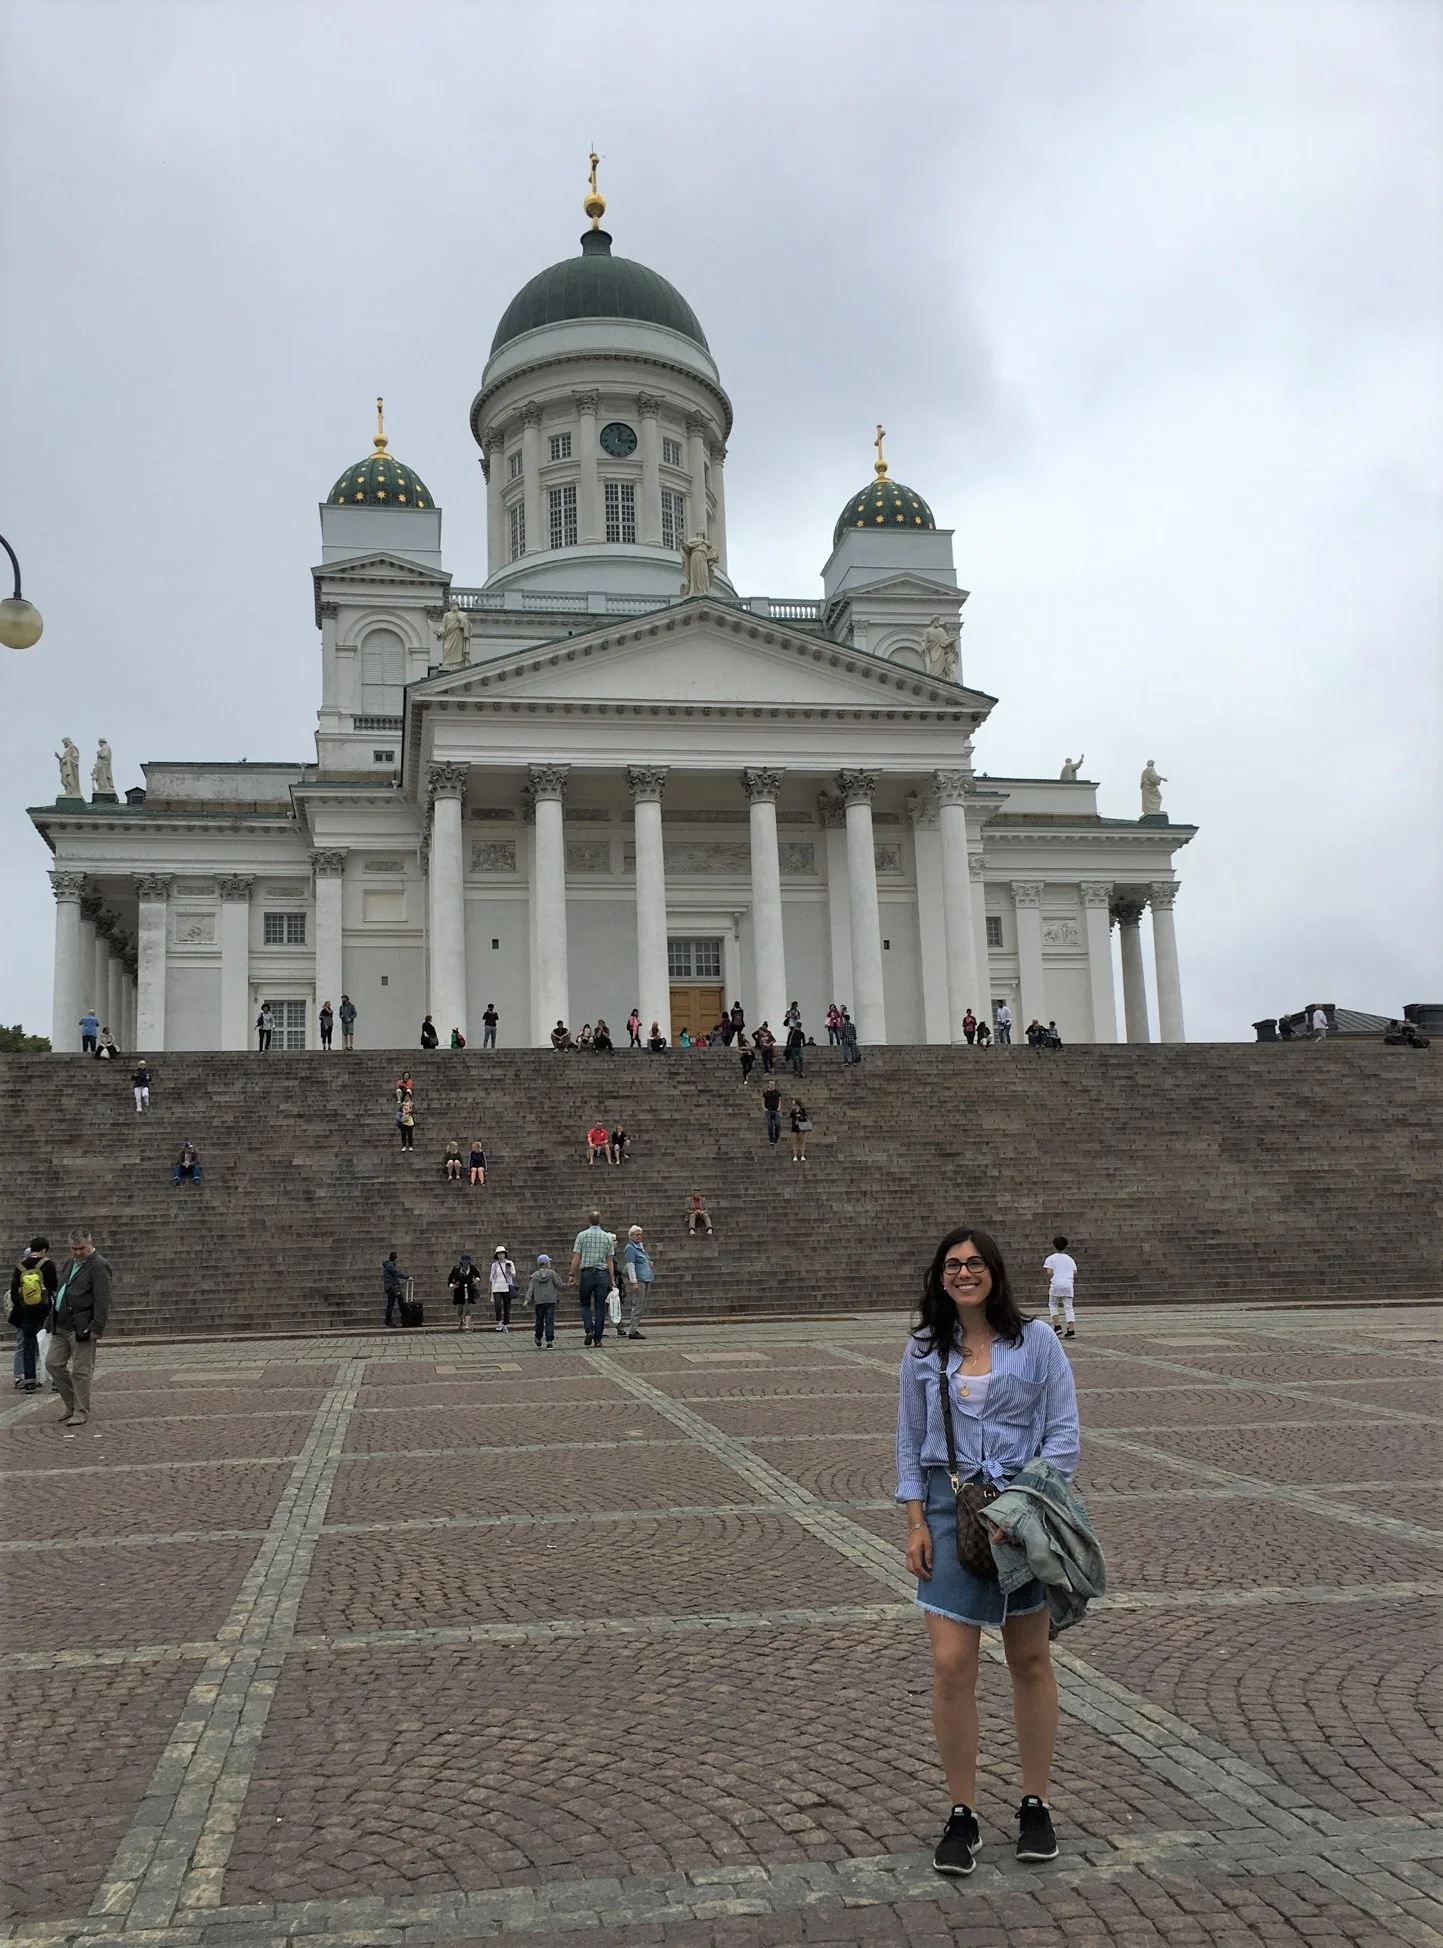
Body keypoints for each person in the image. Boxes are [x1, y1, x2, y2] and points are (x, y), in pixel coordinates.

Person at [897, 1223, 1081, 1876]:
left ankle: (1035, 1802)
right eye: (952, 1264)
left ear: (995, 1272)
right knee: (951, 1664)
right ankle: (962, 1812)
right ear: (939, 1276)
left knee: (1029, 1658)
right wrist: (915, 1522)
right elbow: (908, 1439)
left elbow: (1062, 1437)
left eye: (975, 1263)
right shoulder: (924, 1348)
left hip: (1021, 1512)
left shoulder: (1036, 1344)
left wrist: (1020, 1508)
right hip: (949, 1514)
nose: (964, 1272)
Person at [46, 1228, 114, 1429]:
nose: (77, 1252)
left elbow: (103, 1299)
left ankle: (81, 1411)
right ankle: (72, 1404)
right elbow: (62, 1291)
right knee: (53, 1364)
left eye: (81, 1248)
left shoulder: (99, 1265)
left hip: (83, 1326)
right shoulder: (70, 1263)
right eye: (73, 1249)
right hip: (61, 1323)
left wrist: (97, 1326)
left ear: (90, 1244)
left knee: (81, 1371)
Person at [10, 1237, 57, 1391]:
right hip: (44, 1310)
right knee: (48, 1344)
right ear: (44, 1250)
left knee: (28, 1344)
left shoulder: (20, 1267)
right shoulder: (48, 1264)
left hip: (26, 1312)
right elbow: (53, 1286)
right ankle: (53, 1378)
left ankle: (29, 1379)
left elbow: (14, 1291)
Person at [569, 1210, 618, 1347]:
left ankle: (589, 1329)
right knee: (600, 1307)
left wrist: (571, 1274)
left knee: (585, 1304)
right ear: (600, 1220)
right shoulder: (607, 1237)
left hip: (587, 1273)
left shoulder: (582, 1235)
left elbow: (576, 1256)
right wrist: (612, 1279)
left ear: (589, 1220)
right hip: (602, 1274)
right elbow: (610, 1261)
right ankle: (598, 1339)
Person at [621, 1225, 655, 1338]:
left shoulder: (640, 1246)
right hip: (639, 1279)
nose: (639, 1236)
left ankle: (634, 1328)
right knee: (638, 1304)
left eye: (640, 1234)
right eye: (636, 1234)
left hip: (646, 1277)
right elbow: (630, 1265)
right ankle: (632, 1330)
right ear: (631, 1236)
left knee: (641, 1304)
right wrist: (634, 1281)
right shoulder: (630, 1248)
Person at [526, 1252, 565, 1349]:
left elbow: (531, 1288)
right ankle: (549, 1340)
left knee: (539, 1320)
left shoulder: (534, 1276)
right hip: (550, 1300)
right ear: (546, 1263)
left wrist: (527, 1299)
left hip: (539, 1301)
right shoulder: (552, 1273)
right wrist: (568, 1284)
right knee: (549, 1320)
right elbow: (559, 1285)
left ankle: (538, 1337)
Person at [1043, 1235, 1078, 1338]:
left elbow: (1049, 1271)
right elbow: (1075, 1271)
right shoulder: (1069, 1259)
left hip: (1056, 1284)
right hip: (1068, 1284)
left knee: (1053, 1304)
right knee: (1069, 1307)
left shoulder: (1051, 1258)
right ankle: (1071, 1329)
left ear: (1054, 1246)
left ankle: (1057, 1326)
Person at [448, 1250, 480, 1329]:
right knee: (459, 1309)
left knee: (468, 1308)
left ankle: (467, 1324)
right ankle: (461, 1320)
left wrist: (476, 1280)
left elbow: (477, 1275)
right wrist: (452, 1285)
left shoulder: (472, 1268)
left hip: (469, 1290)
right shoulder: (456, 1269)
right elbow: (450, 1280)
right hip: (459, 1291)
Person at [489, 1245, 516, 1332]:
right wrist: (491, 1289)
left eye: (502, 1253)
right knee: (498, 1305)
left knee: (507, 1306)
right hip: (497, 1287)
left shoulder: (510, 1263)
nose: (501, 1255)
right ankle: (499, 1322)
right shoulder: (494, 1265)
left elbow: (514, 1274)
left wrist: (509, 1272)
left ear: (505, 1254)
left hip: (507, 1287)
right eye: (499, 1254)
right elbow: (492, 1277)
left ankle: (505, 1323)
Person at [381, 1251, 409, 1328]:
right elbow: (396, 1272)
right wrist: (406, 1277)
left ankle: (402, 1320)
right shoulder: (390, 1266)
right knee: (396, 1303)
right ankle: (402, 1320)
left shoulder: (389, 1265)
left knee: (395, 1303)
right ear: (395, 1258)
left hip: (393, 1287)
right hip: (392, 1288)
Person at [763, 1077, 783, 1147]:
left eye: (773, 1084)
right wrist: (764, 1108)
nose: (771, 1085)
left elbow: (779, 1099)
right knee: (770, 1126)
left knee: (777, 1124)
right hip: (769, 1110)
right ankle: (771, 1139)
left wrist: (779, 1107)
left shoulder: (777, 1092)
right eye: (770, 1084)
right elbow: (763, 1100)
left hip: (776, 1110)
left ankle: (776, 1137)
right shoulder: (766, 1092)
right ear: (768, 1085)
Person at [789, 1099, 810, 1163]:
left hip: (801, 1126)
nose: (793, 1106)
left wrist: (800, 1117)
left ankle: (802, 1155)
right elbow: (790, 1117)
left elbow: (806, 1117)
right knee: (795, 1141)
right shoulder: (793, 1111)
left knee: (802, 1140)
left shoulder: (802, 1110)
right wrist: (795, 1117)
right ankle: (795, 1155)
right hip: (795, 1126)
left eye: (794, 1104)